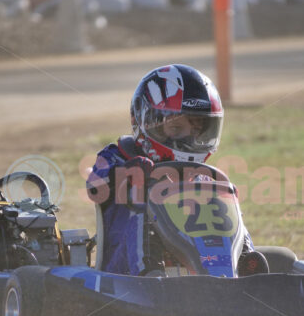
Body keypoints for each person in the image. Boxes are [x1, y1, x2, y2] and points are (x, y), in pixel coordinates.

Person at [87, 64, 268, 276]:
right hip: (124, 267)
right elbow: (94, 185)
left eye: (197, 131)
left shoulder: (201, 176)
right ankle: (148, 271)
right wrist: (125, 173)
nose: (189, 139)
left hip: (191, 268)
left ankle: (247, 266)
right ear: (145, 120)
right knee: (141, 198)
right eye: (176, 129)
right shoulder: (117, 156)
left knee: (223, 201)